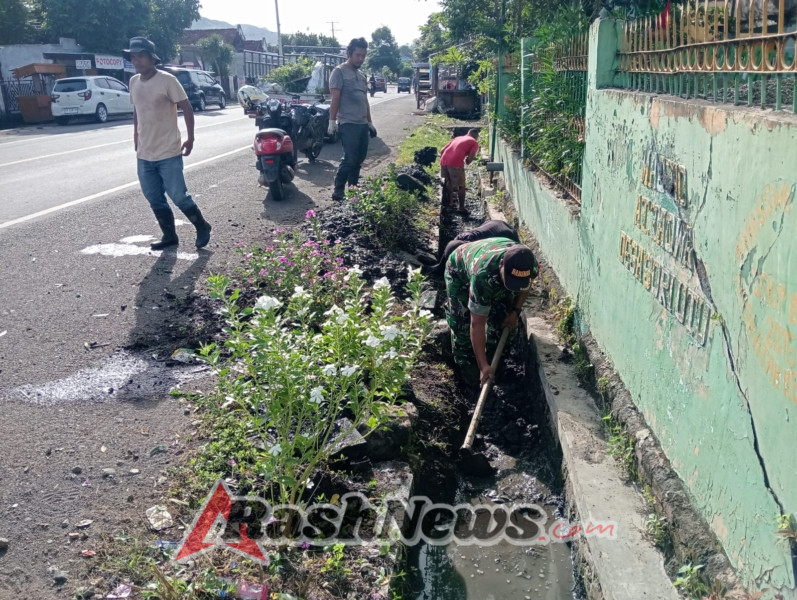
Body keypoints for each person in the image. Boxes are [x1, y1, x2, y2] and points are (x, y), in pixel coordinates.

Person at [124, 37, 211, 250]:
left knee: (178, 195)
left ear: (152, 58)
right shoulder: (134, 81)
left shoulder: (168, 80)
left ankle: (202, 226)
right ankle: (170, 236)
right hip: (144, 153)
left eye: (141, 56)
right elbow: (137, 110)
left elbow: (187, 107)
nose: (137, 61)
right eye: (133, 56)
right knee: (154, 197)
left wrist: (190, 138)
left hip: (168, 151)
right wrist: (136, 135)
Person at [445, 238, 538, 387]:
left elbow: (526, 286)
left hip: (496, 274)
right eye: (511, 280)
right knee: (462, 324)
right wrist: (482, 366)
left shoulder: (529, 264)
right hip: (459, 271)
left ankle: (495, 367)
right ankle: (468, 375)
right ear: (501, 265)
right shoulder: (483, 275)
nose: (513, 287)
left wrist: (515, 311)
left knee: (502, 321)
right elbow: (477, 323)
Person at [327, 38, 378, 201]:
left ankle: (353, 189)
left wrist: (369, 122)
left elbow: (365, 101)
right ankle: (338, 190)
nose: (361, 59)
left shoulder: (362, 76)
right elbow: (335, 99)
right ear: (349, 54)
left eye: (363, 56)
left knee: (359, 159)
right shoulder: (339, 72)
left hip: (362, 123)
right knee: (350, 158)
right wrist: (332, 121)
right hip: (348, 123)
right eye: (358, 55)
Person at [424, 220, 520, 276]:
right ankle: (439, 267)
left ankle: (439, 268)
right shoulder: (462, 238)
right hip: (497, 224)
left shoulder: (474, 246)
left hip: (508, 236)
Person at [440, 129, 480, 214]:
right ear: (476, 136)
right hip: (455, 163)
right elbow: (470, 159)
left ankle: (451, 202)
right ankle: (461, 208)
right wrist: (467, 161)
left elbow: (442, 151)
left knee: (449, 181)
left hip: (444, 160)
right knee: (461, 186)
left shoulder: (457, 138)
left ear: (468, 134)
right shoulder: (474, 142)